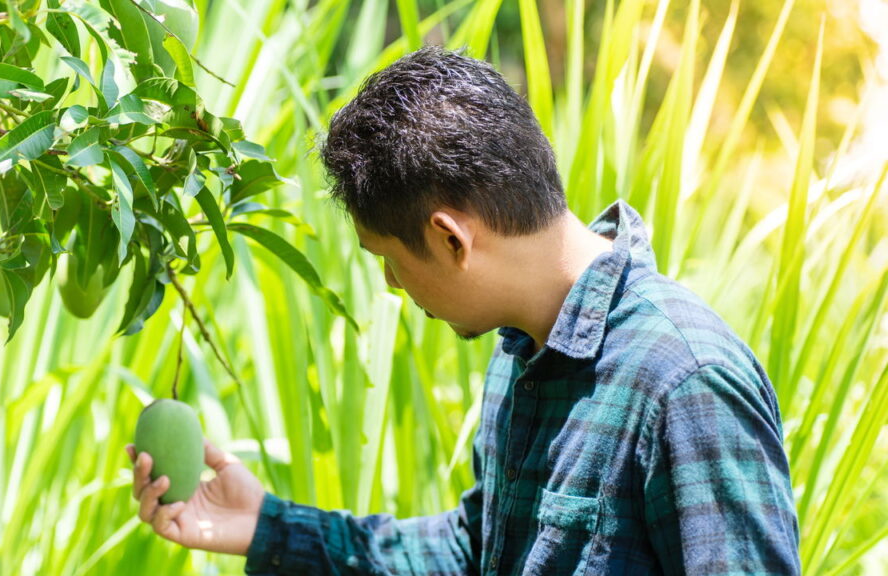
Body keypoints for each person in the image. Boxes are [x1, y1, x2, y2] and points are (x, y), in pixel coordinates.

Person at [126, 46, 800, 575]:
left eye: (388, 258)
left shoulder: (683, 383)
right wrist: (268, 526)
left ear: (451, 238)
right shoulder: (525, 352)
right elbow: (475, 553)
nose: (392, 285)